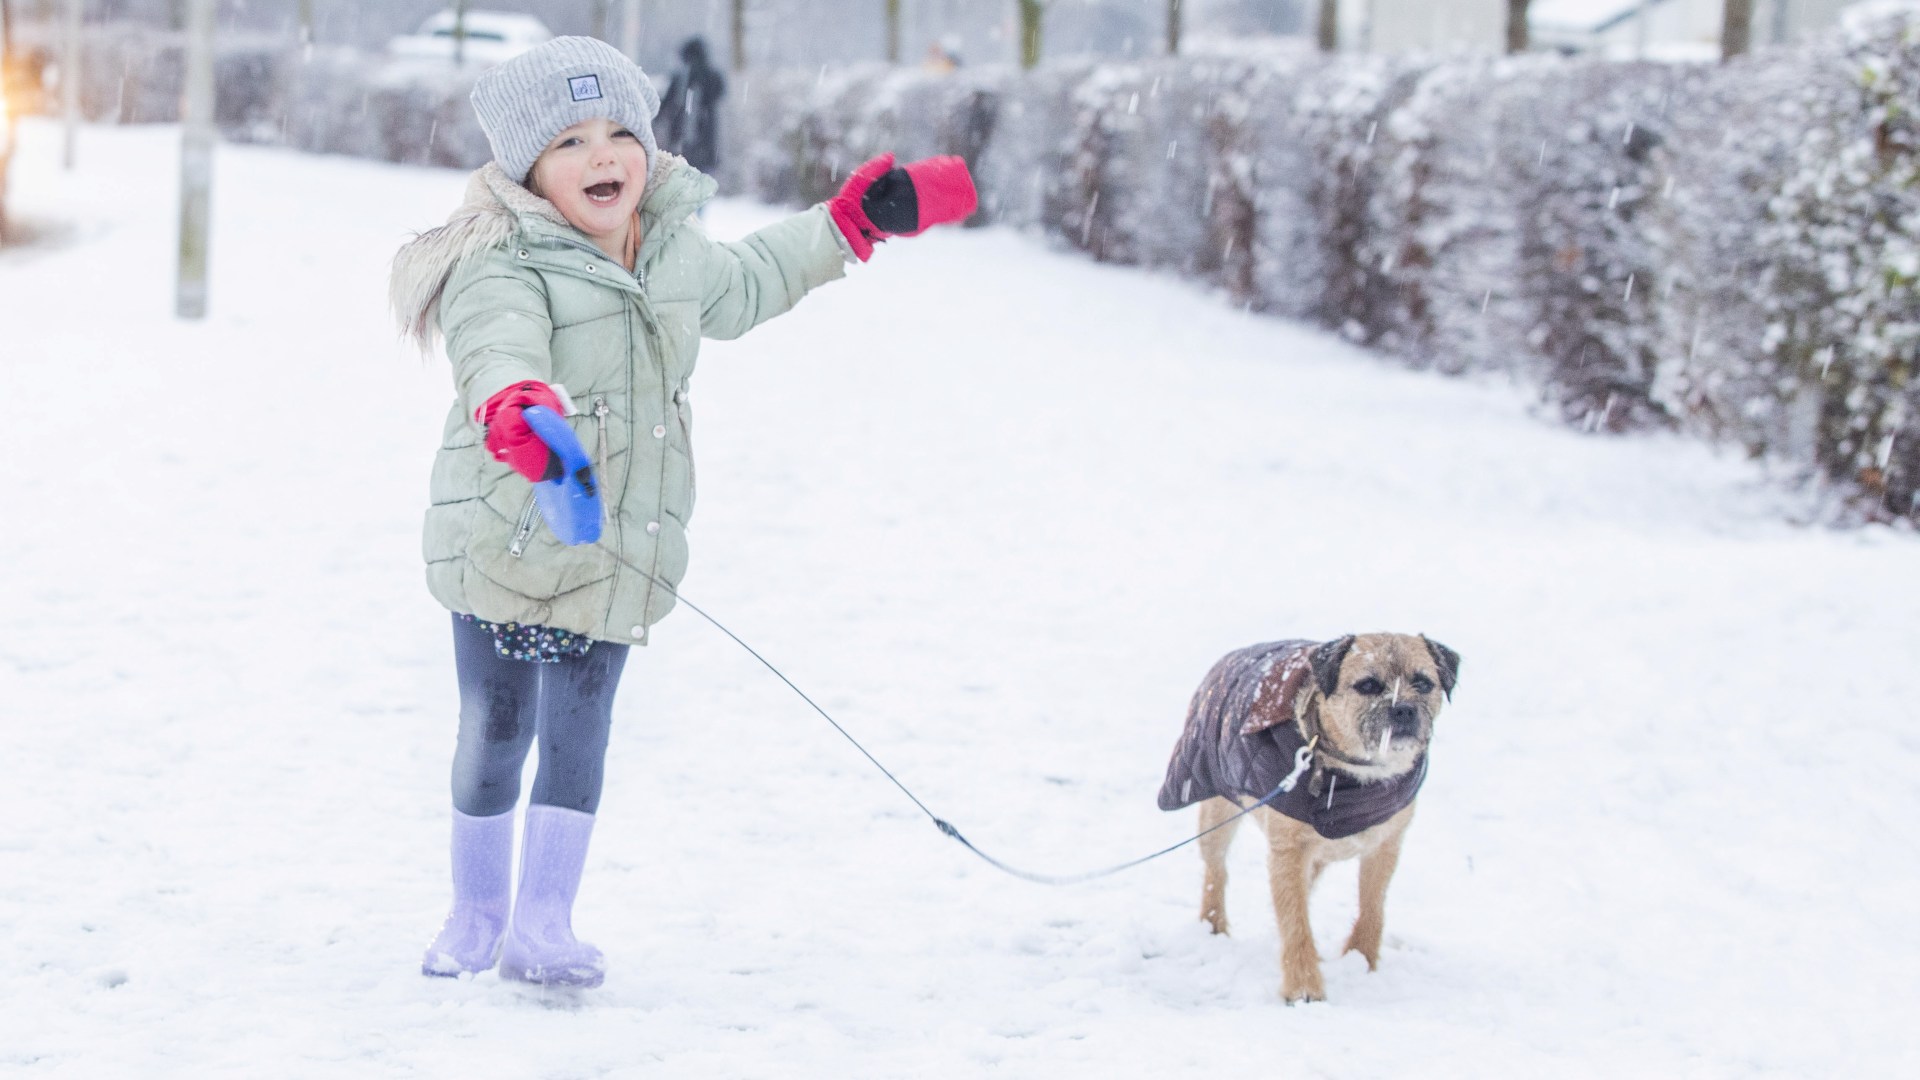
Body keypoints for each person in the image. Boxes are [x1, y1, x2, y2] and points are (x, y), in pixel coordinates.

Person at [388, 36, 977, 988]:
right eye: (572, 140)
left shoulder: (671, 251)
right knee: (493, 733)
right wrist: (529, 423)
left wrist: (851, 224)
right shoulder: (500, 259)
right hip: (506, 536)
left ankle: (543, 922)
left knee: (581, 737)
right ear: (528, 170)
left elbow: (749, 283)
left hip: (619, 545)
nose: (605, 155)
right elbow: (497, 350)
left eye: (621, 131)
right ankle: (474, 912)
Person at [657, 36, 725, 175]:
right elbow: (720, 95)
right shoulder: (712, 76)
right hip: (704, 136)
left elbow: (666, 105)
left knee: (681, 176)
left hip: (680, 138)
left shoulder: (681, 77)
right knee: (702, 178)